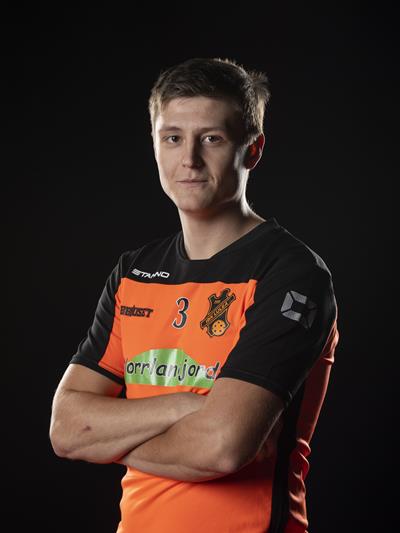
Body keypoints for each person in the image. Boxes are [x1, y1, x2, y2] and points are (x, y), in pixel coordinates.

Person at [49, 57, 339, 533]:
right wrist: (187, 404)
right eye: (172, 138)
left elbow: (222, 446)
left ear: (253, 150)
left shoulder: (291, 274)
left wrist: (101, 438)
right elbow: (65, 428)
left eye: (212, 138)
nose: (189, 159)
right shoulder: (134, 272)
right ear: (155, 145)